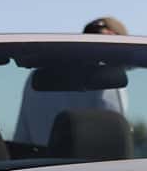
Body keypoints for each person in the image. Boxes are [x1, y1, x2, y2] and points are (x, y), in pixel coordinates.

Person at [12, 16, 130, 146]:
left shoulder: (38, 78)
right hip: (94, 159)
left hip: (41, 159)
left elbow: (22, 141)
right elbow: (115, 139)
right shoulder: (110, 80)